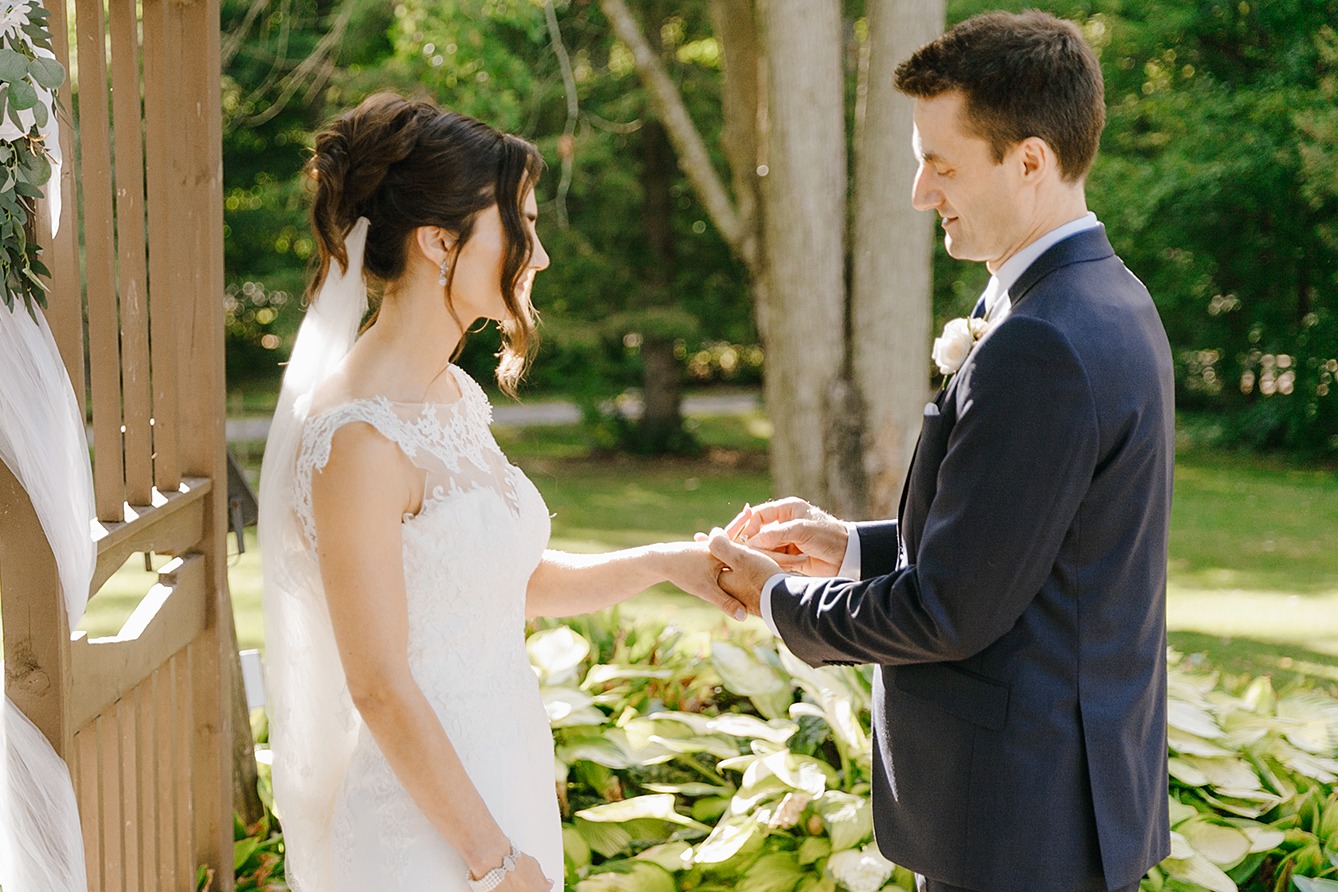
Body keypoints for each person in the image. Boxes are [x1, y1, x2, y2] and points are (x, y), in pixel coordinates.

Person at [704, 11, 1174, 892]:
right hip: (1056, 804)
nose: (922, 192)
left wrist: (778, 601)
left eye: (942, 163)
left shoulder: (1045, 341)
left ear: (1029, 160)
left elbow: (948, 611)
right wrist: (851, 544)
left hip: (1017, 826)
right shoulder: (1111, 300)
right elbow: (1031, 544)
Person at [257, 93, 744, 892]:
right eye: (521, 221)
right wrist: (494, 863)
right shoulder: (358, 442)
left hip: (502, 783)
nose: (541, 255)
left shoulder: (450, 393)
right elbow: (378, 684)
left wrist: (666, 562)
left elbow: (495, 587)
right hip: (429, 839)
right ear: (438, 243)